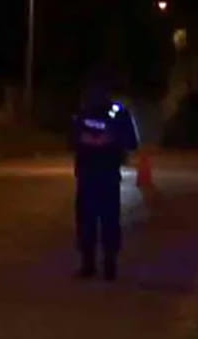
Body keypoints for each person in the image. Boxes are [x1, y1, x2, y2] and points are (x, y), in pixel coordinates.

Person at [69, 78, 140, 281]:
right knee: (91, 221)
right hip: (90, 175)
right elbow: (71, 139)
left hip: (104, 175)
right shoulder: (83, 113)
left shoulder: (116, 113)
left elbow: (131, 142)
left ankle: (105, 264)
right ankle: (92, 263)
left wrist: (109, 141)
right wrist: (87, 141)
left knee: (104, 220)